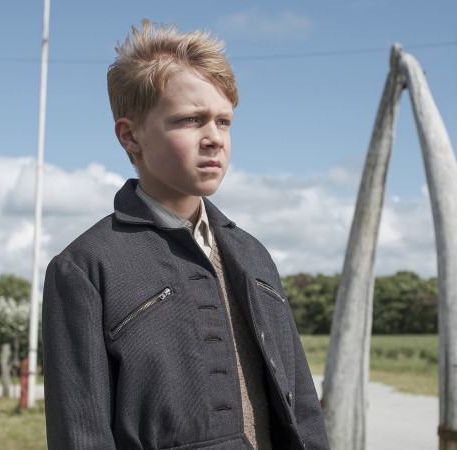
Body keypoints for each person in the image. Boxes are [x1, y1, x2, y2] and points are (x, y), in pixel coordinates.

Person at [42, 20, 329, 449]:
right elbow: (81, 436)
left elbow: (302, 409)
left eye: (224, 121)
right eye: (191, 120)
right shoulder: (84, 268)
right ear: (130, 135)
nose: (214, 138)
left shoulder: (253, 254)